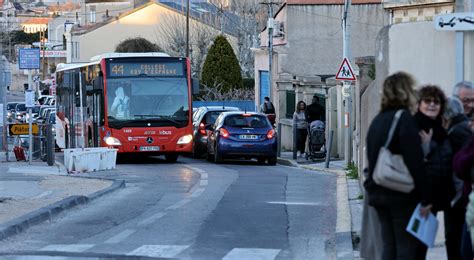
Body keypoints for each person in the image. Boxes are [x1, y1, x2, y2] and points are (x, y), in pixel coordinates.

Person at [364, 72, 432, 260]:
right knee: (406, 248)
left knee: (389, 246)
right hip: (400, 194)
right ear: (406, 91)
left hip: (377, 192)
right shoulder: (403, 119)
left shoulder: (378, 120)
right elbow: (414, 162)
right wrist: (426, 197)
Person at [444, 96, 473, 260]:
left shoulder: (459, 130)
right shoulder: (460, 128)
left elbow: (463, 164)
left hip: (460, 199)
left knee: (457, 245)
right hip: (460, 197)